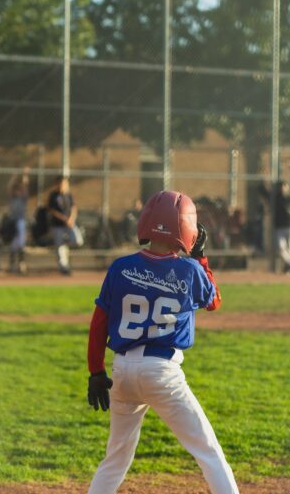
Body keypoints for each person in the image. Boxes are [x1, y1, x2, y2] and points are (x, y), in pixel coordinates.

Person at [86, 191, 239, 494]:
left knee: (115, 459)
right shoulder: (189, 270)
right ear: (188, 229)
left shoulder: (120, 267)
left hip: (122, 371)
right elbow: (214, 301)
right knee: (207, 450)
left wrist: (96, 371)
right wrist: (200, 257)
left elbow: (98, 324)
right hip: (162, 373)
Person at [47, 176, 83, 275]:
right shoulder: (53, 195)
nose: (63, 185)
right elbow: (51, 210)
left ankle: (65, 246)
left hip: (69, 224)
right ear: (57, 184)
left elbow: (74, 208)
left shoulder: (68, 194)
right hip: (57, 225)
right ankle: (63, 267)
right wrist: (64, 219)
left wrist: (71, 219)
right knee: (59, 247)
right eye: (61, 183)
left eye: (65, 184)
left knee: (78, 240)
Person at [8, 169, 30, 274]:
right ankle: (13, 264)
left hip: (20, 221)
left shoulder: (23, 198)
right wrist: (14, 176)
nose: (18, 192)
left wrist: (24, 174)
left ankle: (21, 264)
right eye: (16, 190)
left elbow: (25, 186)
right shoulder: (12, 198)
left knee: (20, 243)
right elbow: (9, 187)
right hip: (13, 222)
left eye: (19, 190)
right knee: (13, 244)